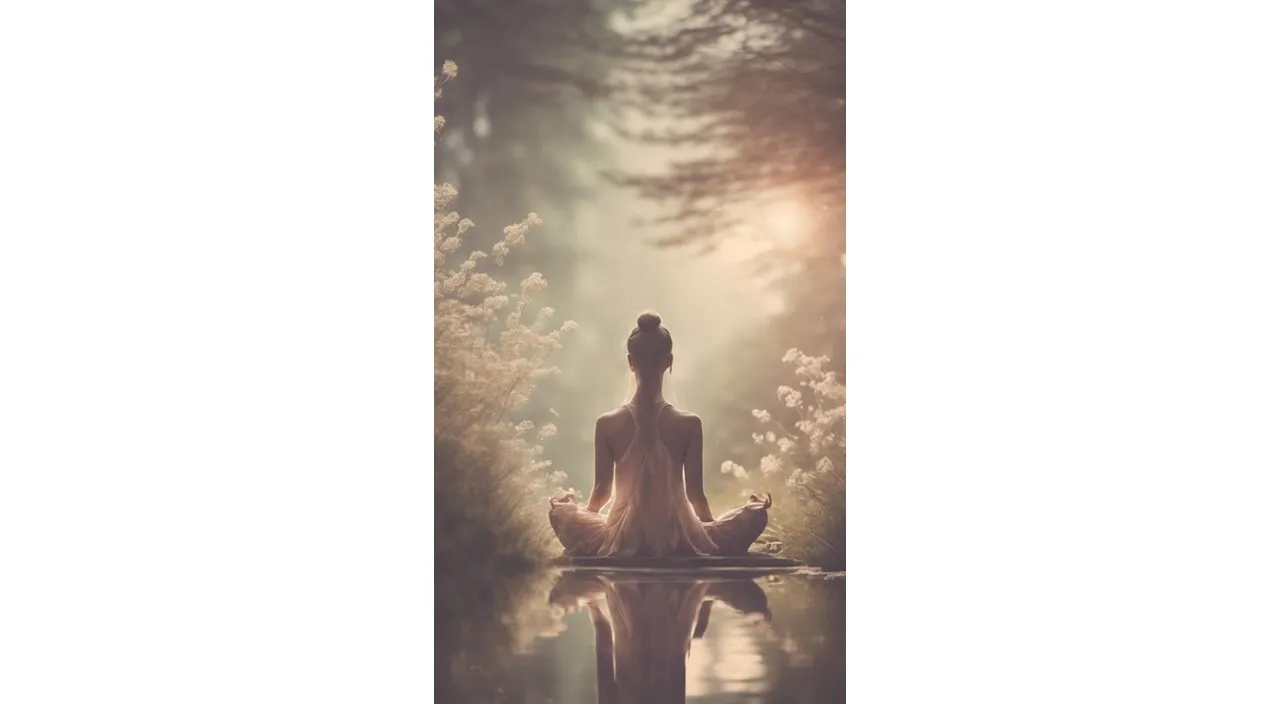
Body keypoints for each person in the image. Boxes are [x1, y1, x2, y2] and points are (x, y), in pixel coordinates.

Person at [549, 311, 772, 557]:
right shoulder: (689, 424)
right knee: (754, 516)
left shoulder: (607, 424)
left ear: (630, 361)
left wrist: (585, 522)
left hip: (622, 535)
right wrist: (711, 533)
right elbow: (695, 494)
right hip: (677, 533)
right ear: (669, 361)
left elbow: (602, 490)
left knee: (561, 513)